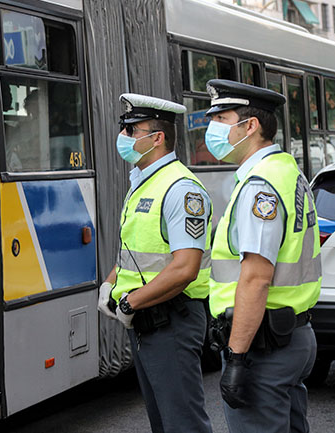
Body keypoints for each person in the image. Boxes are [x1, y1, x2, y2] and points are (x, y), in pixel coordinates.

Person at [204, 79, 321, 433]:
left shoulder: (260, 184)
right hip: (291, 335)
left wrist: (237, 357)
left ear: (250, 125)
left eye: (221, 119)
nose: (212, 128)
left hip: (263, 347)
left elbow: (256, 279)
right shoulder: (285, 170)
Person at [97, 93, 213, 433]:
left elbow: (185, 268)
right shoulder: (143, 181)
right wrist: (111, 283)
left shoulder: (181, 189)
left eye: (132, 130)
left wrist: (131, 302)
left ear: (157, 138)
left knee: (183, 424)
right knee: (163, 423)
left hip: (171, 319)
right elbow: (136, 250)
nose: (123, 137)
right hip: (147, 321)